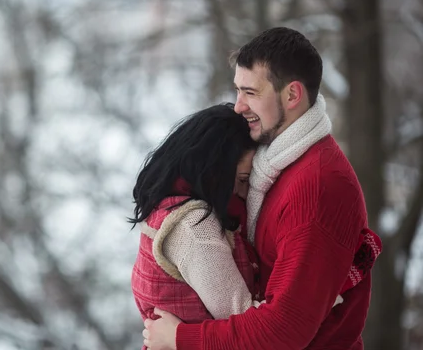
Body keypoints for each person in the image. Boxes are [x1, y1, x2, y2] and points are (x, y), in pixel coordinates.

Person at [142, 27, 382, 350]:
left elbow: (282, 333)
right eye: (237, 91)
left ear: (292, 95)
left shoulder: (317, 187)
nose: (238, 106)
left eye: (250, 93)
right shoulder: (270, 165)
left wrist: (179, 338)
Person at [130, 103, 262, 335]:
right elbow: (246, 324)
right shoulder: (194, 227)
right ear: (215, 169)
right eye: (242, 179)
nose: (244, 193)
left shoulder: (165, 207)